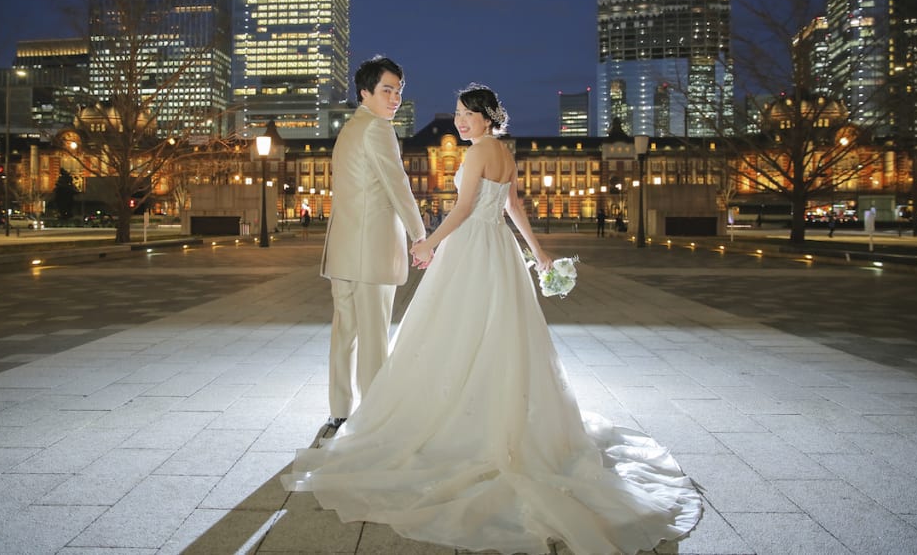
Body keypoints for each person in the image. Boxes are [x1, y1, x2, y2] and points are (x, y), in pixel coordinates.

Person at [284, 84, 702, 555]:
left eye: (466, 114)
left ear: (486, 116)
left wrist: (429, 243)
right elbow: (513, 207)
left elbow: (464, 209)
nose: (460, 122)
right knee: (501, 333)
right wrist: (540, 254)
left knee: (453, 331)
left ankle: (456, 418)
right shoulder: (504, 152)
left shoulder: (480, 151)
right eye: (458, 115)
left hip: (471, 248)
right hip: (499, 249)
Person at [319, 55, 426, 429]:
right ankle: (374, 416)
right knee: (374, 336)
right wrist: (420, 235)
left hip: (345, 249)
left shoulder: (350, 128)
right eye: (386, 90)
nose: (395, 98)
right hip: (372, 251)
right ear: (365, 92)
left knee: (344, 332)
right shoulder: (378, 129)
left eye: (398, 90)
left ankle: (340, 408)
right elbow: (397, 185)